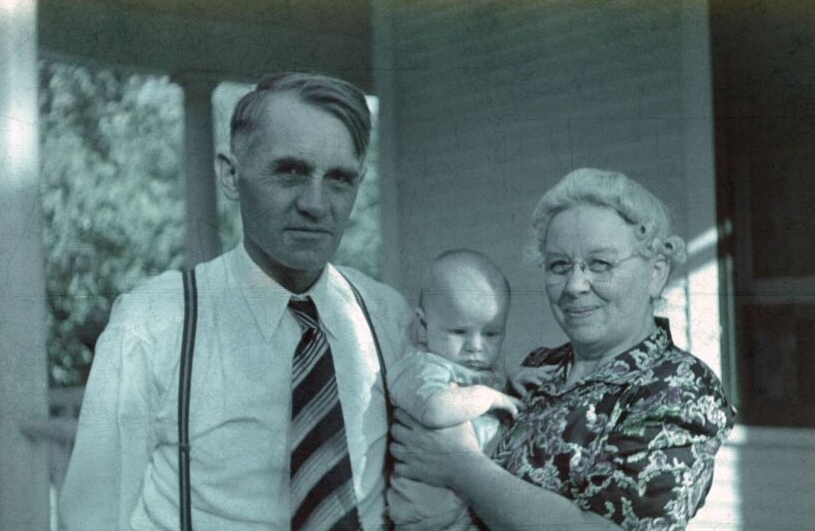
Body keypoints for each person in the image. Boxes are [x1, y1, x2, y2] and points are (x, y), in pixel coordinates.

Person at [59, 72, 410, 530]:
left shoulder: (384, 316)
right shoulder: (155, 323)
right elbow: (91, 519)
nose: (316, 203)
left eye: (340, 179)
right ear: (230, 174)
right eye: (291, 171)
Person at [390, 168, 737, 530]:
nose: (574, 286)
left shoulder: (679, 388)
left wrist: (461, 468)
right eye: (559, 265)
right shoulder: (542, 365)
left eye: (600, 264)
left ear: (657, 272)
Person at [386, 249, 520, 530]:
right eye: (459, 332)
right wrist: (491, 396)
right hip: (428, 518)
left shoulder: (480, 370)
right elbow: (435, 409)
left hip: (469, 508)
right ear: (423, 326)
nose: (476, 346)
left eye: (491, 334)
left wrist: (517, 378)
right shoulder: (422, 367)